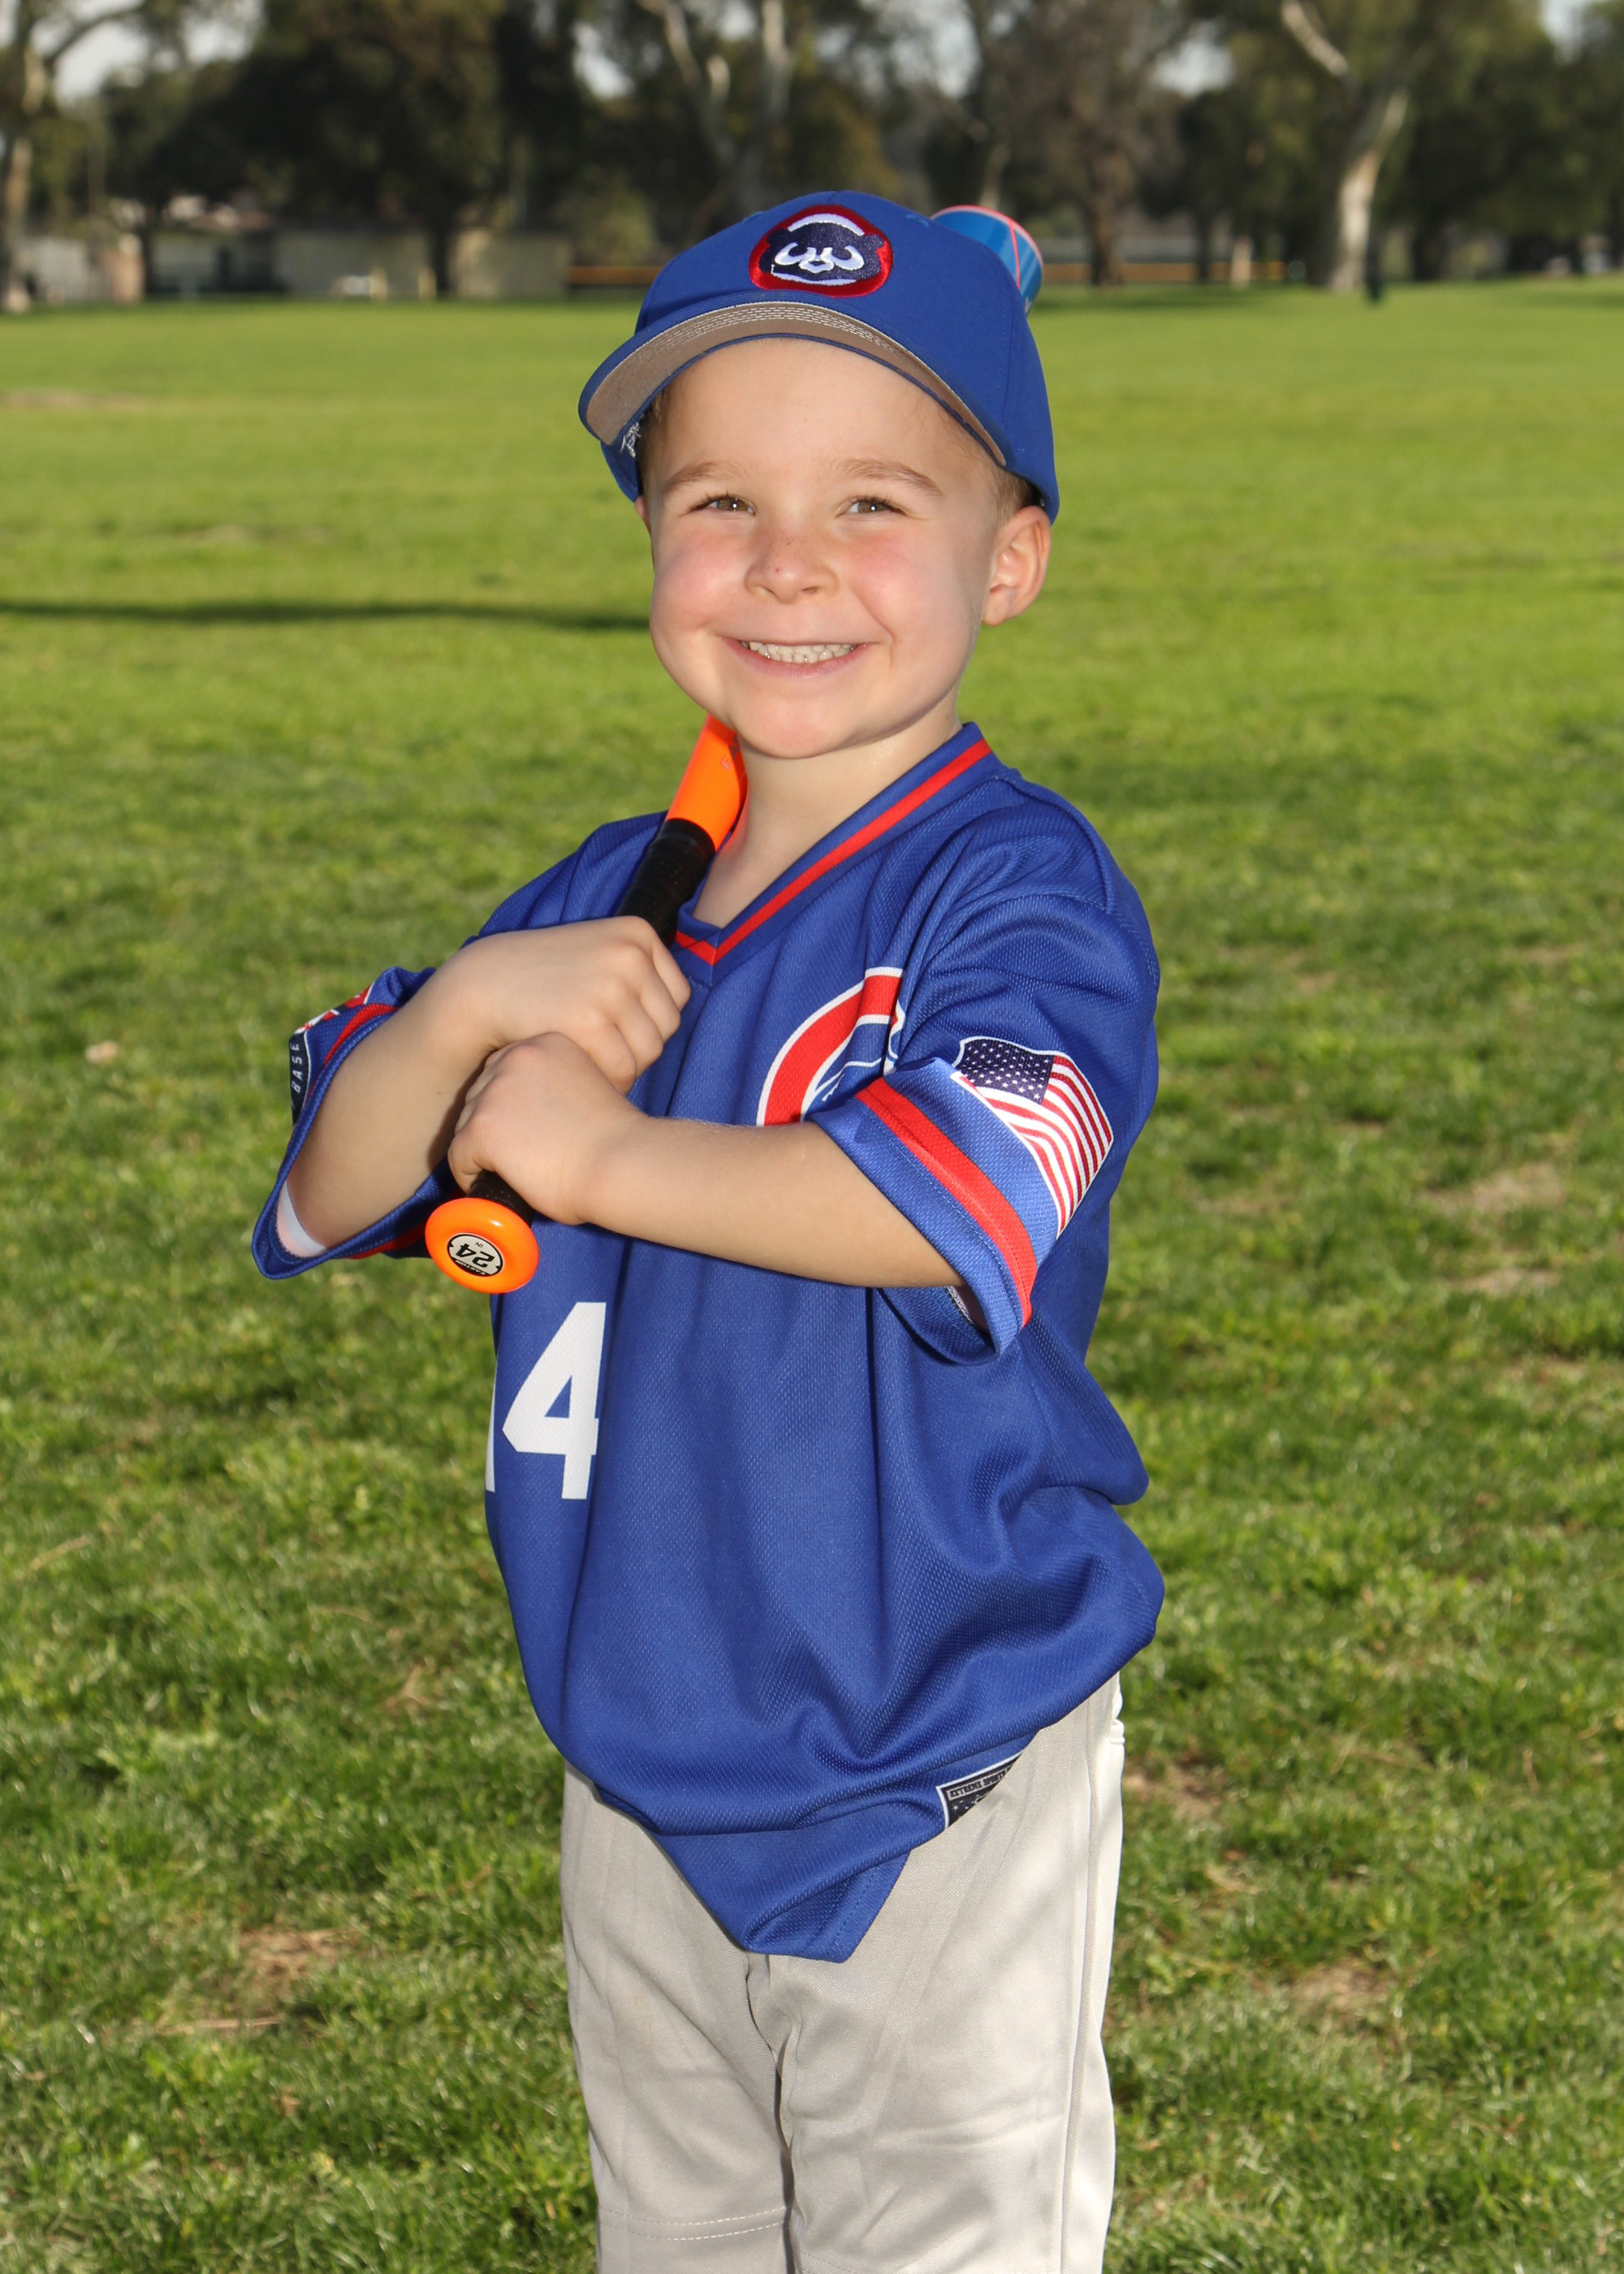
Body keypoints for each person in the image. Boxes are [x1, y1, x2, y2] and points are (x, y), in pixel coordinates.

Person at [254, 193, 1164, 2274]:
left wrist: (599, 1156)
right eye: (719, 500)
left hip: (935, 1759)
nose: (787, 563)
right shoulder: (601, 901)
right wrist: (462, 1013)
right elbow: (332, 1188)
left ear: (1008, 559)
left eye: (873, 503)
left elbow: (950, 1202)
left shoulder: (1016, 894)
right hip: (640, 1760)